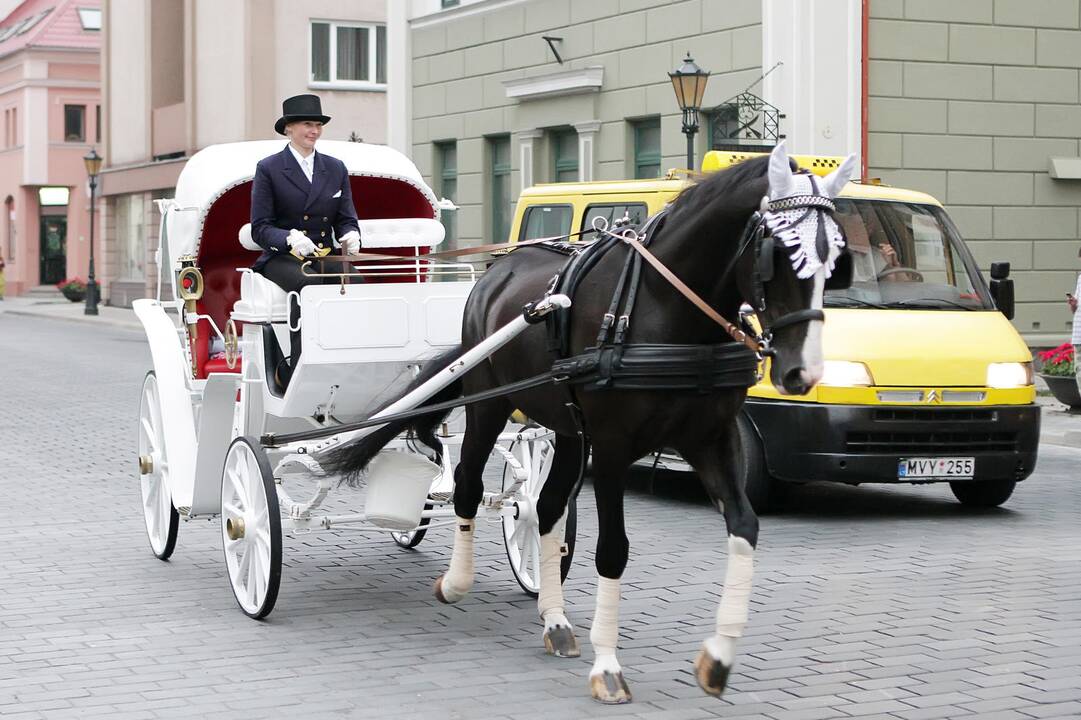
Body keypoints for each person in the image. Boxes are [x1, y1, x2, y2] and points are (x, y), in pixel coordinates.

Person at [250, 94, 361, 386]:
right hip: (282, 256)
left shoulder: (335, 167)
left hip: (323, 252)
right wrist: (289, 238)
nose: (314, 131)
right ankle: (300, 367)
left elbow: (346, 217)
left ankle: (351, 356)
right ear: (289, 128)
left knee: (355, 280)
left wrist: (352, 233)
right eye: (307, 124)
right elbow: (259, 228)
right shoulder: (269, 168)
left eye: (318, 125)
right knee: (308, 285)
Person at [1069, 245, 1081, 395]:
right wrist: (1073, 304)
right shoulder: (1080, 279)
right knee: (1079, 371)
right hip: (1078, 334)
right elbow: (1076, 309)